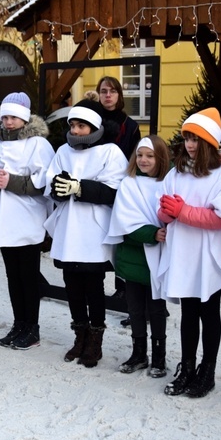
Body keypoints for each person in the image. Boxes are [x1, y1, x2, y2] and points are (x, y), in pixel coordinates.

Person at [156, 107, 221, 398]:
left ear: (209, 141)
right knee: (188, 312)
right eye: (186, 138)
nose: (190, 144)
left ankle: (208, 370)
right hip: (183, 250)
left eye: (196, 138)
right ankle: (187, 366)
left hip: (207, 254)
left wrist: (183, 212)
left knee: (209, 312)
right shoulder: (177, 172)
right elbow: (163, 210)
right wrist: (168, 214)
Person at [44, 93, 128, 368]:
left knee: (93, 286)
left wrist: (81, 187)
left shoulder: (110, 152)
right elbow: (50, 181)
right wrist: (58, 185)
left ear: (93, 128)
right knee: (72, 286)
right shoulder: (63, 151)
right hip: (69, 228)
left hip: (93, 228)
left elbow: (116, 189)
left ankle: (96, 340)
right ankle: (79, 336)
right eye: (72, 126)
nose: (75, 131)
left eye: (81, 126)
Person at [0, 92, 54, 349]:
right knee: (13, 275)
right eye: (5, 117)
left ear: (24, 118)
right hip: (3, 217)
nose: (8, 122)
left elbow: (44, 181)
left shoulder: (38, 144)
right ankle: (18, 323)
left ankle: (32, 327)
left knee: (28, 275)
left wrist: (12, 181)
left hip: (27, 216)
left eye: (13, 117)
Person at [105, 135, 171, 376]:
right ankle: (138, 354)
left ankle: (159, 357)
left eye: (150, 155)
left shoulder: (169, 182)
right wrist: (151, 233)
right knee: (134, 309)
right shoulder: (128, 184)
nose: (143, 160)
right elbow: (123, 221)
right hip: (133, 257)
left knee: (156, 309)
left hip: (158, 259)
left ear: (161, 157)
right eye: (140, 155)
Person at [96, 76, 142, 316]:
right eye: (103, 91)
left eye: (112, 91)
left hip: (121, 186)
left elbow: (135, 156)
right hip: (95, 187)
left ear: (119, 95)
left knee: (121, 237)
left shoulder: (130, 125)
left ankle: (123, 287)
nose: (108, 95)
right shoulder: (92, 120)